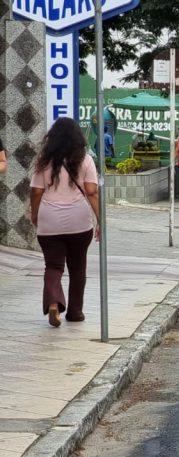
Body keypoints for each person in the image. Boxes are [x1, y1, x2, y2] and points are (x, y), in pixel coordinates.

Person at [29, 117, 101, 328]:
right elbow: (92, 192)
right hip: (79, 221)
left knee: (53, 266)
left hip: (49, 220)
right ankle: (75, 312)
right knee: (78, 267)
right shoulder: (85, 159)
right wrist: (100, 220)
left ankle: (54, 302)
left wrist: (35, 214)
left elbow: (35, 191)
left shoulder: (44, 160)